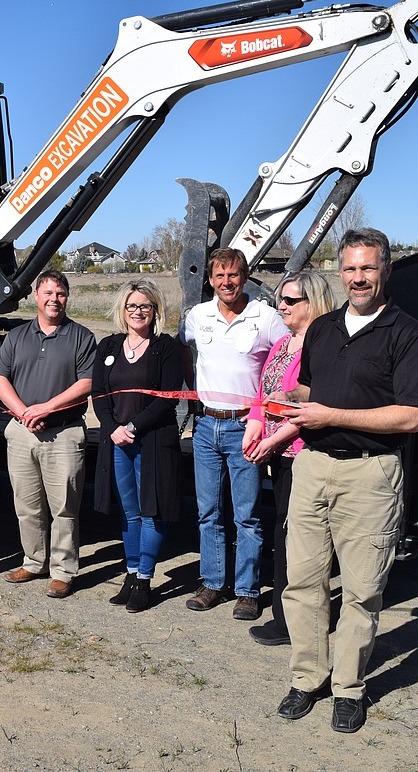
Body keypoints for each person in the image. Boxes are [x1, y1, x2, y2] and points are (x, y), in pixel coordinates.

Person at [274, 228, 418, 733]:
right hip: (313, 466)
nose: (358, 278)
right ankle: (308, 678)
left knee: (363, 589)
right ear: (339, 271)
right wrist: (280, 409)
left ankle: (348, 687)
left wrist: (330, 414)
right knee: (302, 581)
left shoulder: (408, 334)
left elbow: (411, 417)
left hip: (370, 473)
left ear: (386, 269)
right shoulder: (322, 330)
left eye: (368, 268)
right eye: (350, 268)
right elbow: (309, 387)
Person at [179, 247, 287, 620]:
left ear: (245, 277)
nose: (227, 282)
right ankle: (212, 583)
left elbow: (287, 361)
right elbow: (183, 349)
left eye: (234, 275)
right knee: (208, 511)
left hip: (247, 428)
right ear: (210, 279)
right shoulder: (198, 316)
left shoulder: (267, 317)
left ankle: (247, 591)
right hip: (206, 425)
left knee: (248, 515)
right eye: (220, 275)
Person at [242, 271, 336, 645]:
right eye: (281, 298)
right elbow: (263, 392)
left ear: (312, 302)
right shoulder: (284, 343)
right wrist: (254, 424)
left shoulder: (320, 346)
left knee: (297, 541)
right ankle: (286, 616)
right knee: (284, 535)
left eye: (290, 300)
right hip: (279, 455)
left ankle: (294, 623)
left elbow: (312, 406)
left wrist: (273, 439)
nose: (280, 305)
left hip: (301, 454)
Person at [0, 270, 96, 599]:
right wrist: (25, 411)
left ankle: (64, 570)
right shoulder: (17, 336)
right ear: (36, 296)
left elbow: (86, 383)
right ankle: (34, 561)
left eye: (61, 293)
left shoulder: (81, 337)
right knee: (27, 505)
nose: (55, 299)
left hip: (63, 433)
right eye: (48, 292)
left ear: (67, 297)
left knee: (64, 507)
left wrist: (47, 407)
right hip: (22, 432)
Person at [91, 279, 183, 613]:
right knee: (129, 513)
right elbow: (98, 393)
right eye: (132, 306)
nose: (138, 312)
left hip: (152, 441)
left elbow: (168, 399)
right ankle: (130, 574)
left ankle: (145, 579)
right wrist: (113, 428)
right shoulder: (109, 346)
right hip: (117, 442)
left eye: (144, 306)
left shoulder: (165, 348)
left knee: (151, 511)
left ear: (154, 309)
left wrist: (132, 426)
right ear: (123, 310)